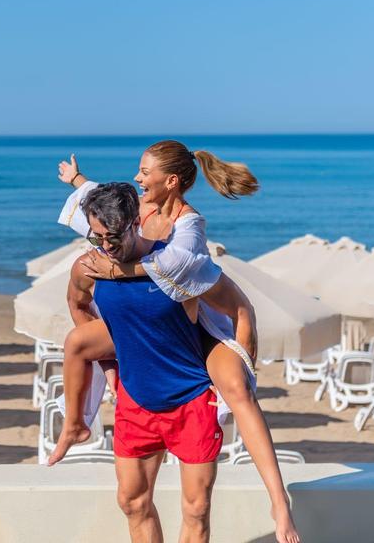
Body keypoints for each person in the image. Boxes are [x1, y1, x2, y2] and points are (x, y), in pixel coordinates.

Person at [51, 141, 299, 543]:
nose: (137, 176)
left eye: (145, 171)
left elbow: (172, 265)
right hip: (141, 339)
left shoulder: (189, 226)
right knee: (77, 342)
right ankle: (75, 425)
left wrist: (116, 272)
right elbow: (100, 207)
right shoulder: (131, 212)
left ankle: (278, 500)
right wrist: (77, 180)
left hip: (199, 326)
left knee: (236, 391)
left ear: (170, 181)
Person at [70, 182, 259, 543]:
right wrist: (110, 365)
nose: (106, 247)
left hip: (191, 401)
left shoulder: (175, 266)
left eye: (113, 237)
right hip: (135, 403)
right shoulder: (91, 266)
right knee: (131, 501)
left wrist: (244, 361)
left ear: (134, 223)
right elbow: (77, 304)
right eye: (97, 238)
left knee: (197, 509)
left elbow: (236, 305)